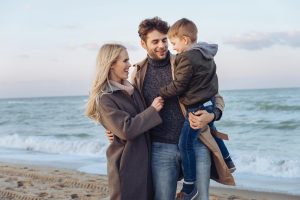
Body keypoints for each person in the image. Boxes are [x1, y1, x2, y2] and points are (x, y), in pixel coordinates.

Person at [106, 17, 235, 200]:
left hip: (197, 142)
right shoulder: (138, 74)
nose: (162, 45)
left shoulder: (186, 61)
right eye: (155, 41)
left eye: (165, 40)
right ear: (143, 44)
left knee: (200, 197)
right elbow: (131, 113)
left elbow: (215, 96)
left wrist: (212, 115)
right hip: (161, 148)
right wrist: (114, 130)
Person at [158, 18, 235, 199]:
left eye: (173, 43)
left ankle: (190, 185)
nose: (172, 48)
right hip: (206, 101)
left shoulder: (186, 58)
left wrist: (162, 92)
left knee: (185, 145)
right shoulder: (206, 55)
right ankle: (227, 160)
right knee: (214, 132)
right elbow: (212, 84)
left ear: (185, 40)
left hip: (196, 107)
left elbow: (179, 85)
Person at [85, 43, 164, 200]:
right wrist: (153, 110)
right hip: (125, 165)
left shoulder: (133, 91)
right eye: (125, 61)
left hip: (144, 162)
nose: (129, 65)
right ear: (112, 64)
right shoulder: (105, 98)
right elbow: (126, 129)